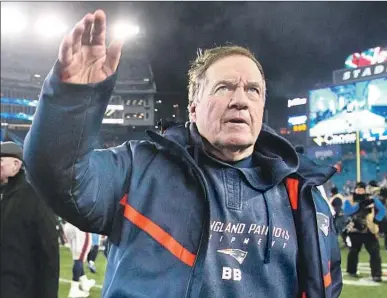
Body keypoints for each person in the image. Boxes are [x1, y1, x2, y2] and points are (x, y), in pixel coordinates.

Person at [23, 10, 342, 298]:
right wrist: (73, 99)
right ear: (193, 107)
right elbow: (60, 175)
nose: (240, 100)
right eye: (224, 87)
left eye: (253, 90)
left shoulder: (302, 192)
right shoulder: (139, 168)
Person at [0, 141, 60, 298]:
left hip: (20, 290)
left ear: (15, 164)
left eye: (0, 161)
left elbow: (49, 254)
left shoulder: (35, 197)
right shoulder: (4, 195)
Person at [343, 182, 386, 282]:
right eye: (358, 189)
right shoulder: (349, 200)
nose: (360, 191)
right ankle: (351, 270)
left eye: (362, 189)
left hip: (369, 230)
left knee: (375, 252)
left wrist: (377, 219)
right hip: (354, 230)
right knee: (353, 251)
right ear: (355, 190)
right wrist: (359, 206)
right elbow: (347, 212)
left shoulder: (372, 200)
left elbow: (382, 210)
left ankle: (376, 274)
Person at [63, 221, 96, 297]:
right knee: (80, 257)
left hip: (68, 224)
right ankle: (74, 289)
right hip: (79, 225)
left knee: (77, 256)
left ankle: (84, 282)